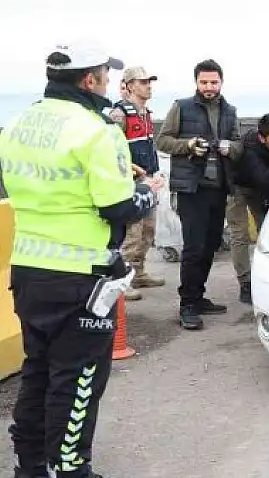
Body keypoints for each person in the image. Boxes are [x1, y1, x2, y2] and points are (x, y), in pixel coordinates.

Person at [1, 44, 160, 478]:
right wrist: (149, 192)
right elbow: (118, 206)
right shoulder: (96, 130)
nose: (107, 83)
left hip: (29, 271)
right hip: (82, 276)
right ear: (89, 81)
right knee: (79, 379)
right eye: (104, 76)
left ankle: (30, 465)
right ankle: (71, 469)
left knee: (38, 371)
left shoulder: (18, 124)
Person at [155, 59, 243, 330]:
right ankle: (188, 305)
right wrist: (189, 145)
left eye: (213, 82)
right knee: (193, 248)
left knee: (210, 245)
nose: (209, 87)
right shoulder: (181, 107)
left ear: (221, 82)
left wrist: (231, 148)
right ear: (196, 82)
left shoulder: (230, 111)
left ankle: (199, 295)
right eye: (204, 82)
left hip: (218, 188)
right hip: (191, 189)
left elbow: (240, 145)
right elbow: (163, 140)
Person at [227, 114, 269, 304]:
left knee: (267, 230)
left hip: (260, 189)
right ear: (261, 137)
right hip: (238, 187)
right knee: (239, 235)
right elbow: (264, 180)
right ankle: (246, 283)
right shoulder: (249, 150)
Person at [112, 66, 166, 301]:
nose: (148, 86)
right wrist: (135, 172)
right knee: (132, 233)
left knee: (148, 230)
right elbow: (111, 149)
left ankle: (139, 272)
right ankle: (122, 280)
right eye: (143, 82)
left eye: (149, 82)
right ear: (130, 85)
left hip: (148, 179)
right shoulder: (119, 114)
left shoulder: (145, 114)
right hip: (131, 182)